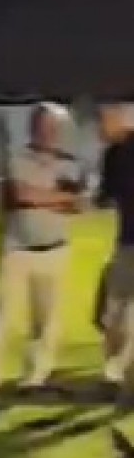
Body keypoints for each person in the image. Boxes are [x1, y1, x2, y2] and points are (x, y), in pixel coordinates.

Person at [0, 102, 83, 403]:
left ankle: (35, 379)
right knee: (1, 319)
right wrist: (56, 198)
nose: (50, 133)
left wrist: (42, 197)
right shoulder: (17, 158)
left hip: (56, 250)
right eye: (45, 126)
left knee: (48, 322)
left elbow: (78, 204)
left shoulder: (69, 163)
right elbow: (21, 194)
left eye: (55, 128)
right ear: (34, 127)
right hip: (17, 250)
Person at [95, 104, 134, 388]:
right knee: (118, 307)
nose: (100, 129)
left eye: (103, 121)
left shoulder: (116, 154)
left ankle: (114, 370)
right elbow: (107, 195)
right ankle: (115, 370)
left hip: (128, 240)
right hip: (127, 239)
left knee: (117, 307)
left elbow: (105, 196)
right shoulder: (112, 154)